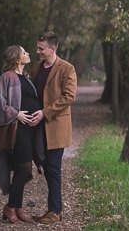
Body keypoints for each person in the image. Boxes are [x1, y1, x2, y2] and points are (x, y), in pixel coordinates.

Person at [0, 45, 45, 224]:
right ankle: (10, 207)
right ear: (17, 59)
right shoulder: (7, 77)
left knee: (23, 170)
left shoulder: (25, 77)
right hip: (18, 130)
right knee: (24, 169)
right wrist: (15, 113)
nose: (27, 54)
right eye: (24, 52)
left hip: (30, 129)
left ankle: (17, 207)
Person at [27, 31, 77, 224]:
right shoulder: (37, 67)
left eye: (41, 48)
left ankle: (55, 211)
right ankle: (54, 209)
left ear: (52, 48)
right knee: (45, 167)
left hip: (55, 126)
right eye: (37, 48)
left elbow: (69, 97)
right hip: (37, 126)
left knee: (53, 167)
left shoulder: (67, 68)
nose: (37, 51)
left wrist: (45, 112)